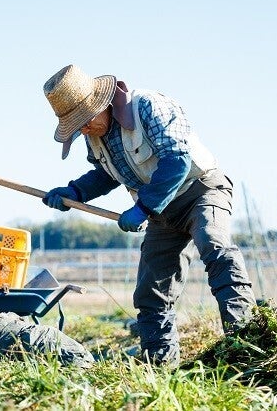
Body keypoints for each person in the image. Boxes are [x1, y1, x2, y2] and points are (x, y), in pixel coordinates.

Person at [41, 64, 256, 365]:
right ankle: (161, 366)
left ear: (101, 105)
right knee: (151, 291)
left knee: (214, 246)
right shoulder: (95, 135)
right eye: (78, 128)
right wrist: (75, 192)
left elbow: (177, 160)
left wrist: (143, 208)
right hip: (162, 212)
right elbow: (105, 174)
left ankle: (247, 343)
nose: (84, 130)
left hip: (200, 190)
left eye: (85, 121)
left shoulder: (147, 107)